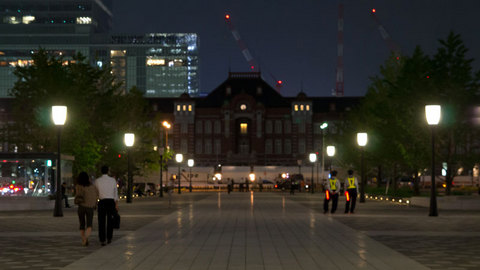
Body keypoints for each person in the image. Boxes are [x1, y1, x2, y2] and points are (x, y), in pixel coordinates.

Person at [94, 165, 119, 246]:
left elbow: (96, 192)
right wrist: (116, 204)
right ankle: (109, 238)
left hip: (102, 201)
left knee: (101, 221)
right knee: (110, 220)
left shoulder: (97, 181)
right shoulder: (113, 180)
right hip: (111, 201)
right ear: (108, 171)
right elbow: (116, 193)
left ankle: (102, 239)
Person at [75, 172, 99, 246]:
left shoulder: (78, 186)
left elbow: (77, 195)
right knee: (89, 225)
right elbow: (97, 195)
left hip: (81, 207)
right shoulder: (93, 186)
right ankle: (85, 238)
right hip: (90, 207)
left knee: (82, 224)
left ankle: (84, 239)